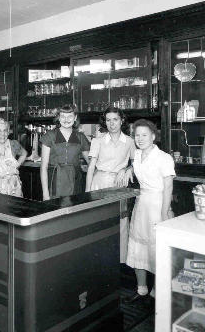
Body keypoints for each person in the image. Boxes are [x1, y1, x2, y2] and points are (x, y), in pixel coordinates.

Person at [124, 119, 175, 303]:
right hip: (141, 204)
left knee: (157, 249)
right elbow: (137, 165)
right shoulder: (137, 155)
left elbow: (168, 187)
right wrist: (129, 169)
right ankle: (141, 289)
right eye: (137, 135)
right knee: (139, 247)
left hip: (157, 205)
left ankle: (156, 292)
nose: (140, 138)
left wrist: (164, 213)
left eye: (144, 135)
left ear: (153, 136)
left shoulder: (164, 158)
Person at [85, 107, 136, 263]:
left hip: (118, 185)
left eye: (115, 119)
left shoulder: (130, 141)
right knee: (97, 221)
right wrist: (87, 191)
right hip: (99, 183)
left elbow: (136, 164)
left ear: (122, 120)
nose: (112, 123)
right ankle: (97, 258)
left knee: (120, 222)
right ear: (105, 122)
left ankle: (119, 260)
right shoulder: (98, 141)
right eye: (108, 120)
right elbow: (91, 166)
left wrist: (126, 169)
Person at [40, 104, 90, 200]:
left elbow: (91, 162)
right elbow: (43, 167)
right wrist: (45, 194)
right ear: (58, 118)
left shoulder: (81, 137)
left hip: (75, 183)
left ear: (75, 118)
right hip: (54, 182)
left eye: (70, 116)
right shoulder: (49, 136)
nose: (66, 120)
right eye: (63, 116)